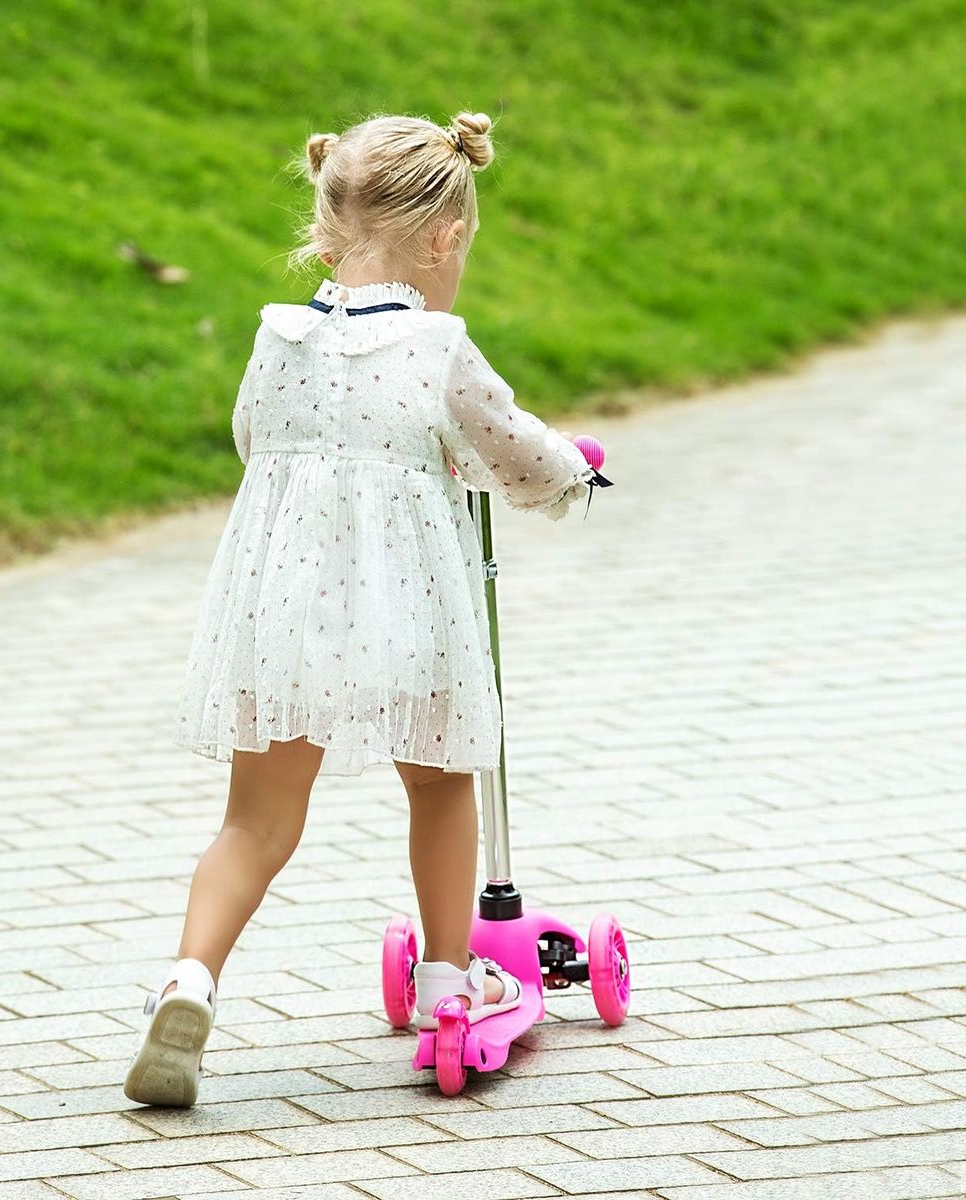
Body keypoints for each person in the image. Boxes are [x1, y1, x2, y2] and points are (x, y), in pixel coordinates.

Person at [123, 111, 597, 1107]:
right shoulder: (437, 346)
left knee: (254, 824)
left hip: (286, 613)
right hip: (413, 613)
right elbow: (506, 444)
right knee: (438, 785)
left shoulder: (276, 339)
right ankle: (444, 980)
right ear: (446, 237)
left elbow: (256, 443)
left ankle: (189, 981)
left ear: (327, 232)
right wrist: (569, 479)